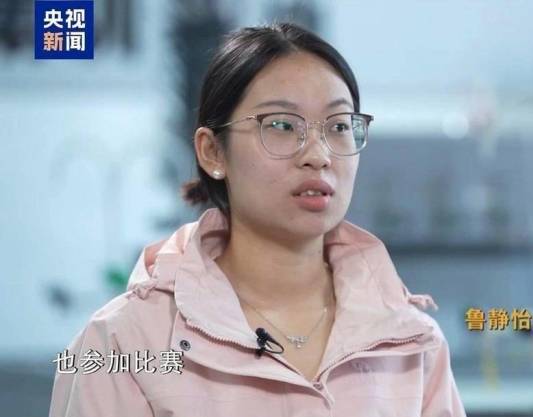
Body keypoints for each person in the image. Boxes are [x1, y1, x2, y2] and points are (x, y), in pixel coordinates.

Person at [48, 22, 466, 417]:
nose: (318, 154)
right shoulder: (123, 342)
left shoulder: (412, 342)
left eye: (339, 126)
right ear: (212, 151)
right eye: (281, 125)